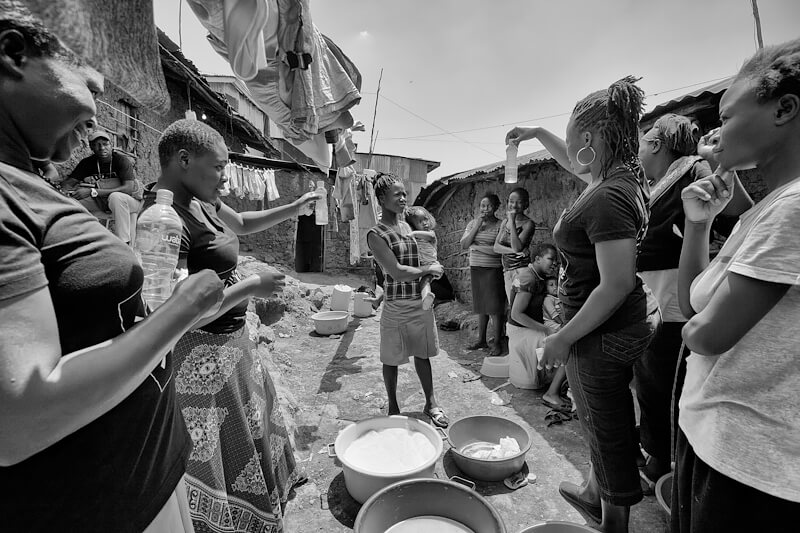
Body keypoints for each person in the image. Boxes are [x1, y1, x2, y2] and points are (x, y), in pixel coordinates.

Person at [0, 5, 226, 531]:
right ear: (14, 55)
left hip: (139, 475)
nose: (98, 118)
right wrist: (184, 306)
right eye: (90, 83)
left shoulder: (29, 185)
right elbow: (19, 417)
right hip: (100, 504)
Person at [143, 118, 322, 533]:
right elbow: (181, 312)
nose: (225, 178)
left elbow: (241, 225)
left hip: (231, 346)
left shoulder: (202, 200)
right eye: (220, 167)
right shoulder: (166, 220)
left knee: (250, 430)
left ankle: (262, 509)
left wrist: (295, 209)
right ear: (184, 160)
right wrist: (251, 287)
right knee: (220, 448)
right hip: (201, 361)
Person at [507, 76, 659, 533]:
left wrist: (561, 338)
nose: (570, 149)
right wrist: (536, 135)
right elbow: (576, 164)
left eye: (572, 137)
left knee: (603, 424)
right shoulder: (622, 177)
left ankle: (612, 520)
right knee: (605, 418)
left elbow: (614, 284)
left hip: (601, 331)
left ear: (590, 139)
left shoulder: (610, 195)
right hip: (621, 322)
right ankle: (596, 492)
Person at [672, 38, 800, 533]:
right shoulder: (765, 210)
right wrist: (699, 224)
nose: (717, 133)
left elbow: (706, 334)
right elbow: (693, 305)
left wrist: (688, 329)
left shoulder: (791, 210)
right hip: (718, 441)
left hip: (752, 465)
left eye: (727, 116)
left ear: (785, 109)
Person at [634, 113, 753, 490]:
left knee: (663, 385)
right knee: (650, 383)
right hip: (654, 296)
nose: (637, 148)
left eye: (643, 140)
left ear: (655, 144)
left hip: (673, 299)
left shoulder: (693, 168)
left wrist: (719, 162)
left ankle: (663, 465)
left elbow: (737, 213)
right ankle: (656, 455)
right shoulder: (659, 181)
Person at [367, 175, 448, 427]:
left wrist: (434, 268)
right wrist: (427, 271)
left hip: (419, 304)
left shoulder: (408, 228)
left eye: (404, 194)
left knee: (423, 355)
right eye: (396, 194)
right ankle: (393, 407)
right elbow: (397, 272)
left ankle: (431, 403)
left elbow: (423, 257)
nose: (403, 198)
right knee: (391, 359)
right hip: (396, 306)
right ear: (381, 200)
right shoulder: (376, 234)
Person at [61, 128, 142, 244]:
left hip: (131, 202)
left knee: (116, 197)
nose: (102, 148)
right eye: (97, 145)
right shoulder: (88, 163)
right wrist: (59, 191)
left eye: (105, 144)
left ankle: (124, 242)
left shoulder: (121, 161)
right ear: (91, 147)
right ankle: (75, 241)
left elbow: (128, 188)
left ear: (111, 145)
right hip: (102, 201)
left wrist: (92, 191)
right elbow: (69, 182)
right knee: (73, 203)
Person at [507, 243, 557, 390]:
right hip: (520, 329)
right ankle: (553, 392)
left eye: (556, 261)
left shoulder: (538, 276)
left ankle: (550, 383)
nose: (554, 264)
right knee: (562, 345)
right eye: (550, 259)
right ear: (537, 259)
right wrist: (546, 329)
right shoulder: (528, 279)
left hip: (528, 326)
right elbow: (516, 314)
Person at [460, 193, 506, 356]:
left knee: (494, 308)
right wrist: (477, 225)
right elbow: (465, 244)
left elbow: (496, 250)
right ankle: (481, 340)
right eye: (482, 205)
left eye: (488, 206)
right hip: (477, 269)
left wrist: (476, 246)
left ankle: (497, 342)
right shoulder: (473, 223)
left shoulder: (501, 224)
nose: (484, 209)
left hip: (493, 269)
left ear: (496, 207)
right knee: (481, 307)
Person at [494, 187, 536, 302]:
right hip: (507, 271)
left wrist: (512, 221)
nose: (514, 205)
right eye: (511, 202)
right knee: (512, 305)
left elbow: (517, 246)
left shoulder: (528, 224)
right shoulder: (504, 222)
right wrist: (514, 252)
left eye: (519, 202)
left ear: (526, 204)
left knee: (519, 307)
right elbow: (496, 247)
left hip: (521, 271)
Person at [405, 205, 441, 310]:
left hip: (431, 266)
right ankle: (424, 299)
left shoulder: (430, 233)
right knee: (419, 283)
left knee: (425, 281)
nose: (425, 223)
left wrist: (414, 233)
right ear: (413, 225)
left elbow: (431, 237)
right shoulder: (415, 238)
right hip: (419, 266)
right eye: (420, 222)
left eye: (426, 219)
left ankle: (426, 297)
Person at [542, 275, 569, 409]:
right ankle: (552, 392)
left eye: (555, 285)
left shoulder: (559, 298)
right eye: (551, 285)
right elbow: (554, 315)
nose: (554, 287)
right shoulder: (548, 299)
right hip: (553, 326)